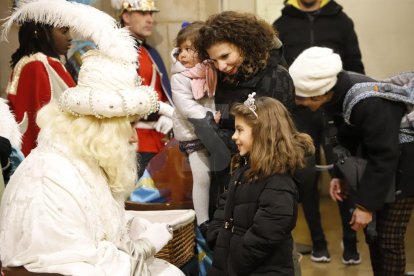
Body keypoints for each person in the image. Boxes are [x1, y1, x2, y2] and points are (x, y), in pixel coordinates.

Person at [0, 1, 184, 275]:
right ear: (102, 127)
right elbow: (77, 267)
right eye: (128, 126)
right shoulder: (51, 177)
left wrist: (128, 228)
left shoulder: (85, 163)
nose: (134, 138)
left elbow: (95, 233)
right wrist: (144, 247)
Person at [290, 46, 414, 275]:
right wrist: (340, 176)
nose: (298, 103)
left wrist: (366, 206)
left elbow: (384, 155)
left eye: (301, 97)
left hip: (405, 165)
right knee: (374, 235)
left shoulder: (369, 102)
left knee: (388, 239)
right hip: (383, 166)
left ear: (320, 92)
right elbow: (348, 141)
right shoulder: (336, 94)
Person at [273, 0, 365, 263]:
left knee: (344, 174)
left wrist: (351, 107)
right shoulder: (282, 25)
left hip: (335, 111)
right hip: (300, 114)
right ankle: (318, 243)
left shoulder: (341, 20)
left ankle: (350, 243)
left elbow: (355, 64)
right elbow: (278, 71)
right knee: (305, 180)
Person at [194, 10, 296, 216]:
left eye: (225, 56)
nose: (221, 66)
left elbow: (269, 143)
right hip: (225, 177)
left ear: (244, 44)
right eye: (214, 61)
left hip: (261, 183)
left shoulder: (276, 77)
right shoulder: (224, 77)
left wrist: (211, 133)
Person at [207, 95, 314, 275]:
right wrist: (217, 237)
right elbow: (226, 204)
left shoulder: (279, 180)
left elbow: (266, 234)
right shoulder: (244, 167)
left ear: (261, 132)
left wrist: (235, 260)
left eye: (240, 130)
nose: (234, 136)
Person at [111, 0, 175, 176]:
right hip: (133, 141)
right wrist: (162, 110)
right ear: (126, 16)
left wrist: (171, 116)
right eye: (143, 13)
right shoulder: (115, 51)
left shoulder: (150, 52)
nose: (150, 19)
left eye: (151, 14)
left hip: (159, 141)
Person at [170, 21, 219, 234]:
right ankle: (203, 221)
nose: (182, 55)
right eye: (180, 49)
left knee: (218, 174)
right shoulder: (180, 77)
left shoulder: (210, 70)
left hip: (214, 131)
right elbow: (186, 105)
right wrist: (209, 116)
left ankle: (217, 212)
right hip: (193, 133)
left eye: (189, 49)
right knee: (202, 176)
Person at [5, 14, 76, 157]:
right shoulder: (37, 65)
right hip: (48, 157)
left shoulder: (38, 63)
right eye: (63, 31)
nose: (69, 37)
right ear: (41, 32)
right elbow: (37, 124)